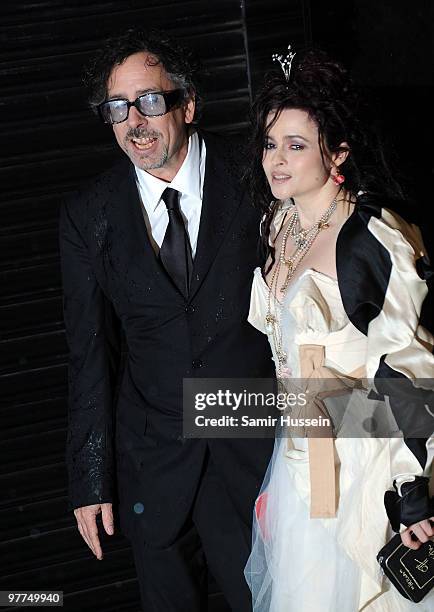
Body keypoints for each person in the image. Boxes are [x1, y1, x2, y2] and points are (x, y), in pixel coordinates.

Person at [59, 27, 275, 611]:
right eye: (118, 108)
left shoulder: (258, 175)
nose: (135, 121)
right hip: (152, 464)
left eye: (150, 101)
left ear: (188, 104)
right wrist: (91, 479)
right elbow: (90, 354)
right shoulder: (88, 214)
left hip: (252, 453)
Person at [243, 46, 434, 610]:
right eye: (271, 143)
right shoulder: (275, 222)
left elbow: (412, 369)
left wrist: (413, 493)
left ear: (339, 153)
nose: (276, 160)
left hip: (366, 465)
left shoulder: (371, 235)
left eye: (296, 145)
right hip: (299, 459)